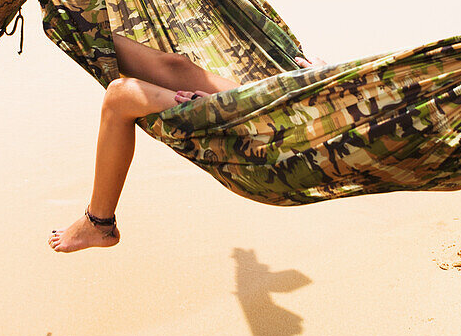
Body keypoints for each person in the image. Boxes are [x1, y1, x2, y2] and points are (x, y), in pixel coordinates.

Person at [48, 34, 315, 253]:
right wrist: (323, 80)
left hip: (283, 151)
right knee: (175, 65)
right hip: (298, 109)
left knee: (120, 96)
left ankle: (99, 222)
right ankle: (75, 19)